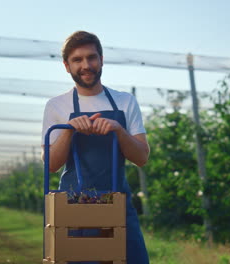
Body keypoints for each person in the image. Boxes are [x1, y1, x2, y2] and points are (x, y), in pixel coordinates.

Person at [41, 31, 150, 264]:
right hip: (74, 204)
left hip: (117, 200)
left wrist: (118, 131)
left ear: (101, 59)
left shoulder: (125, 101)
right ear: (66, 66)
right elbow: (50, 165)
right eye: (77, 60)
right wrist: (69, 130)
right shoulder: (56, 106)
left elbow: (141, 157)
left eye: (91, 57)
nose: (86, 65)